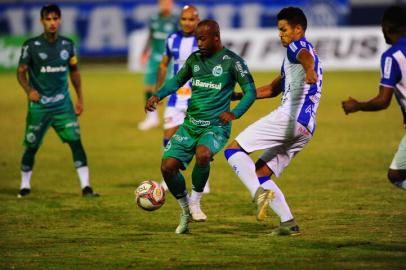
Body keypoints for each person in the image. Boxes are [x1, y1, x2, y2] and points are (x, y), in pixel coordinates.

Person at [145, 19, 257, 234]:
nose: (199, 43)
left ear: (216, 37)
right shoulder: (194, 59)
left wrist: (234, 113)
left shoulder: (233, 62)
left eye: (203, 38)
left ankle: (196, 201)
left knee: (203, 154)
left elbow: (250, 92)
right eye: (197, 38)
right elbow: (177, 80)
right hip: (190, 124)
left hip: (216, 125)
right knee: (167, 167)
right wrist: (158, 95)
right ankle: (185, 210)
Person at [224, 7, 322, 236]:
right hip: (306, 128)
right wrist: (239, 95)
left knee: (234, 150)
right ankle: (288, 223)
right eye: (279, 30)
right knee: (261, 173)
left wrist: (309, 71)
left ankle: (258, 194)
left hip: (289, 117)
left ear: (298, 29)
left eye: (284, 29)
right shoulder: (297, 57)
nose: (281, 35)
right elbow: (270, 89)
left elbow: (305, 58)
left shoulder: (298, 47)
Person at [16, 4, 99, 198]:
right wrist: (29, 90)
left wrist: (80, 98)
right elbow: (20, 72)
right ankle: (24, 185)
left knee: (76, 142)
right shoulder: (31, 45)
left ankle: (86, 187)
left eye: (55, 19)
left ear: (60, 20)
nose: (52, 23)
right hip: (39, 106)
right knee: (32, 145)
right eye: (48, 19)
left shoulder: (67, 45)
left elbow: (75, 72)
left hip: (63, 105)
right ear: (42, 21)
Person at [342, 6, 406, 190]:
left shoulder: (392, 56)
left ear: (388, 27)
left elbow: (382, 101)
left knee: (396, 175)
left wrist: (357, 105)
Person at [156, 5, 210, 202]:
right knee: (168, 135)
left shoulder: (203, 40)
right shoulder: (172, 39)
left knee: (198, 138)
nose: (187, 23)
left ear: (197, 20)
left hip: (198, 96)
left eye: (191, 19)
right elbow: (163, 64)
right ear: (180, 20)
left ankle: (203, 180)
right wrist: (159, 90)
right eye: (184, 19)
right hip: (176, 96)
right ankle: (168, 176)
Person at [138, 0, 179, 131]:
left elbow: (180, 39)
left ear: (172, 4)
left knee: (171, 89)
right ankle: (152, 118)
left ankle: (174, 117)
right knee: (148, 86)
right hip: (154, 58)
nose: (165, 5)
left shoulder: (176, 20)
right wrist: (144, 52)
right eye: (163, 3)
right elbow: (150, 36)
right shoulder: (154, 19)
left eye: (168, 3)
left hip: (169, 59)